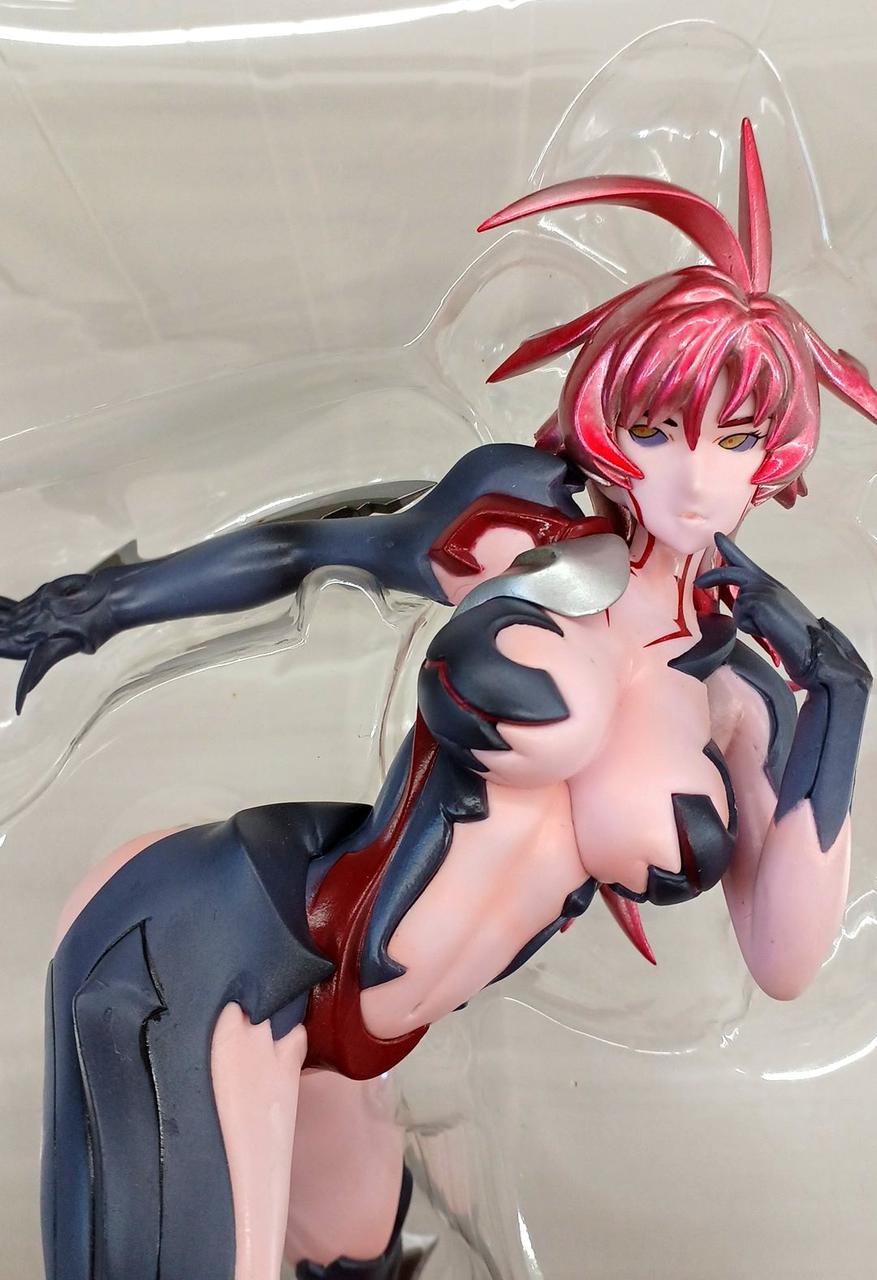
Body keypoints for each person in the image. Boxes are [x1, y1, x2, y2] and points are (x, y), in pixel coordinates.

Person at [6, 120, 872, 1280]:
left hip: (363, 1045)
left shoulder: (738, 694)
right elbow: (312, 548)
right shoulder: (521, 528)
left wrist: (839, 688)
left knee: (373, 1261)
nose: (693, 473)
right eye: (656, 427)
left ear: (777, 449)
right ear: (606, 411)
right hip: (241, 940)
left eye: (738, 434)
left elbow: (786, 956)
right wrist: (99, 603)